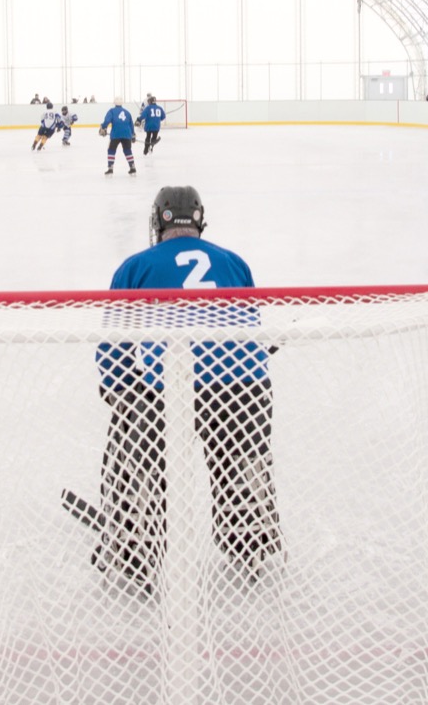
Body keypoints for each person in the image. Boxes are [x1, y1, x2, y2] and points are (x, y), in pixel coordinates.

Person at [93, 186, 279, 593]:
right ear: (199, 221)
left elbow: (115, 343)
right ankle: (248, 538)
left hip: (168, 387)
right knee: (241, 462)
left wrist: (118, 389)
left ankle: (135, 546)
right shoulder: (234, 262)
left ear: (158, 222)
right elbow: (256, 331)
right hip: (242, 386)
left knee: (134, 458)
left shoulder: (135, 266)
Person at [100, 97, 137, 175]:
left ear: (114, 103)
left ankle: (110, 168)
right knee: (127, 150)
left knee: (111, 150)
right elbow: (131, 125)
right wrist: (133, 135)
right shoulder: (127, 112)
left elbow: (107, 121)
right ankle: (132, 167)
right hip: (127, 134)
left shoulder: (112, 111)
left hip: (115, 134)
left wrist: (103, 127)